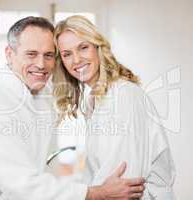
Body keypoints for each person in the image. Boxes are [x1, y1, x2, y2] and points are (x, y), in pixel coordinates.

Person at [0, 16, 145, 200]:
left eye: (49, 55)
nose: (41, 64)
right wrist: (97, 193)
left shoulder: (42, 97)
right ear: (9, 55)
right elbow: (23, 184)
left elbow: (46, 170)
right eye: (31, 54)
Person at [53, 15, 176, 199]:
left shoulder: (123, 95)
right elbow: (98, 176)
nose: (76, 60)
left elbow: (123, 181)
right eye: (67, 54)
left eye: (83, 47)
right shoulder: (93, 101)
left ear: (97, 47)